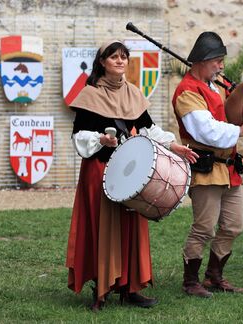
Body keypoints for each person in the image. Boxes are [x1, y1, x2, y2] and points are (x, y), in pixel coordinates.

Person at [65, 39, 197, 311]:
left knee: (132, 227)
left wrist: (173, 146)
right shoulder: (89, 95)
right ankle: (101, 288)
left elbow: (148, 129)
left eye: (124, 56)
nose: (120, 61)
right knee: (104, 228)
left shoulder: (134, 93)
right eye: (114, 57)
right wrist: (101, 139)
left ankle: (131, 287)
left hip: (131, 170)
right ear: (102, 62)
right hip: (99, 169)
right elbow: (79, 135)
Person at [172, 31, 243, 298]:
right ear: (202, 61)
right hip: (206, 166)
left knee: (233, 225)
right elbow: (205, 131)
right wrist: (242, 130)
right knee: (204, 227)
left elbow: (237, 108)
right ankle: (190, 281)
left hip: (230, 167)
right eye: (217, 60)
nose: (222, 66)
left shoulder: (220, 84)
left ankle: (214, 276)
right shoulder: (186, 92)